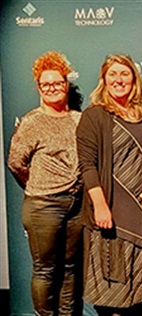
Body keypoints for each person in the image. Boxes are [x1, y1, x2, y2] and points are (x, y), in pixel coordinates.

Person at [76, 54, 142, 316]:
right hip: (111, 215)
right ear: (103, 80)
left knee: (138, 295)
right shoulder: (94, 115)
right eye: (112, 74)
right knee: (112, 293)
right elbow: (87, 165)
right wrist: (100, 206)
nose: (118, 80)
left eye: (125, 73)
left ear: (134, 79)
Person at [8, 50, 84, 316]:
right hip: (43, 205)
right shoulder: (31, 122)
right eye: (46, 84)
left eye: (58, 82)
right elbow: (16, 163)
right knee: (45, 269)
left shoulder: (78, 119)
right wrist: (40, 185)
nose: (52, 88)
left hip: (77, 204)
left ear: (66, 84)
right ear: (39, 87)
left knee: (72, 266)